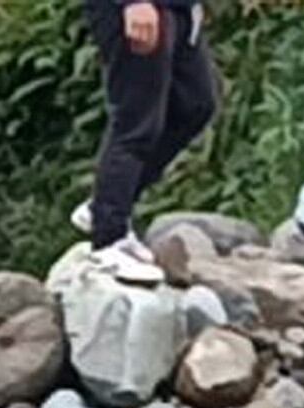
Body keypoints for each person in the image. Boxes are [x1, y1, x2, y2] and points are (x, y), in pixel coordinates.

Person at [78, 0, 221, 285]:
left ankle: (105, 206)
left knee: (195, 106)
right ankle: (108, 239)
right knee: (137, 123)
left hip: (179, 8)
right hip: (137, 10)